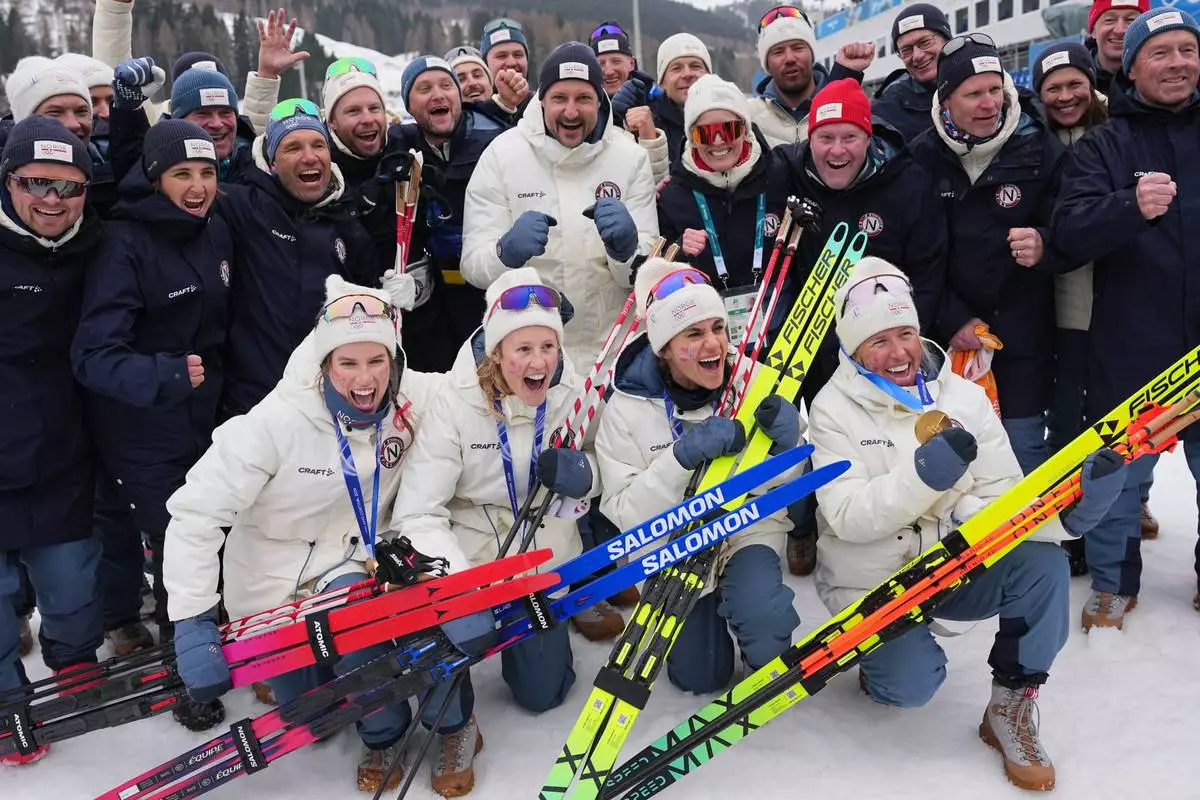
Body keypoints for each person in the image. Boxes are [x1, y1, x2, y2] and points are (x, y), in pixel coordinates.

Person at [807, 257, 1124, 792]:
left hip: (952, 567)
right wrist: (923, 477)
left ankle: (1010, 706)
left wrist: (1071, 519)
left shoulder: (965, 397)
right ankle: (883, 661)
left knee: (1043, 565)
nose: (898, 352)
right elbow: (847, 517)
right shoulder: (832, 409)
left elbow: (1000, 498)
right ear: (854, 349)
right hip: (875, 584)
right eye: (878, 341)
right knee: (910, 687)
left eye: (905, 333)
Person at [162, 274, 440, 793]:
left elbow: (478, 381)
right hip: (272, 583)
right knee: (310, 721)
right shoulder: (274, 424)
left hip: (352, 568)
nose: (365, 379)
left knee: (360, 626)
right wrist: (194, 618)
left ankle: (384, 734)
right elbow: (196, 514)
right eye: (348, 363)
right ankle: (298, 681)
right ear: (323, 364)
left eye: (377, 361)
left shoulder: (409, 398)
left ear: (394, 362)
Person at [391, 268, 594, 795]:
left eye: (548, 346)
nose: (538, 362)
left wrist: (586, 479)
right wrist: (457, 588)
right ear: (496, 350)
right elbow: (417, 512)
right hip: (470, 549)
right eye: (522, 347)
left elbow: (606, 460)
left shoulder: (576, 389)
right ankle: (454, 724)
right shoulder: (455, 401)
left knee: (543, 692)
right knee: (440, 633)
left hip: (540, 550)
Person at [72, 120, 233, 731]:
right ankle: (184, 668)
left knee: (214, 534)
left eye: (207, 173)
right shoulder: (125, 243)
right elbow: (92, 354)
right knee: (179, 544)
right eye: (182, 174)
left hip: (205, 416)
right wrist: (162, 376)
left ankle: (214, 640)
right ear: (155, 177)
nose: (197, 187)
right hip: (142, 426)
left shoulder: (215, 227)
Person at [596, 257, 805, 697]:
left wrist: (788, 448)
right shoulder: (627, 407)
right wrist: (680, 459)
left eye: (717, 328)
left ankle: (760, 662)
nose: (713, 344)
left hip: (744, 530)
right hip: (673, 545)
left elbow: (786, 486)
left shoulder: (751, 381)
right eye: (693, 333)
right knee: (699, 676)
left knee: (764, 615)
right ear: (664, 348)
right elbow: (624, 512)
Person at [1052, 7, 1200, 626]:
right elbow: (1066, 234)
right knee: (1117, 474)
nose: (1178, 64)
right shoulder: (1105, 144)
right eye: (1161, 53)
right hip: (1136, 341)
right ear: (1132, 66)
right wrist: (1127, 207)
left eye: (1188, 50)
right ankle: (1114, 581)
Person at [779, 77, 948, 575]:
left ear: (869, 137)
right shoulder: (789, 176)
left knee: (876, 439)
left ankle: (889, 531)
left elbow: (930, 268)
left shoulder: (907, 184)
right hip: (809, 341)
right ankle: (804, 525)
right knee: (806, 437)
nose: (836, 149)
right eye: (825, 138)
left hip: (881, 348)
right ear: (809, 138)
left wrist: (909, 342)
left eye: (849, 137)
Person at [908, 34, 1073, 477]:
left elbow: (1072, 224)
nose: (989, 103)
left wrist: (1045, 242)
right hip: (948, 337)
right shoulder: (922, 156)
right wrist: (951, 318)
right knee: (952, 450)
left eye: (995, 89)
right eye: (974, 93)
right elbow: (912, 254)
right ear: (946, 99)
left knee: (1022, 449)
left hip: (1021, 333)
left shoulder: (1037, 148)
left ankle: (1030, 540)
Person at [0, 117, 105, 767]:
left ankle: (72, 663)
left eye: (69, 187)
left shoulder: (97, 246)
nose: (52, 200)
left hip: (61, 455)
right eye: (36, 183)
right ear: (9, 181)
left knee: (71, 590)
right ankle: (6, 700)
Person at [462, 42, 658, 371]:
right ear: (541, 101)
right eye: (559, 98)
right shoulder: (502, 156)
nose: (571, 111)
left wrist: (627, 251)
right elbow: (473, 266)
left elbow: (645, 274)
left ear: (600, 100)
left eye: (583, 98)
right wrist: (503, 252)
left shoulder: (630, 158)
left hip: (611, 355)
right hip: (529, 358)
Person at [1032, 42, 1110, 577]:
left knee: (1110, 422)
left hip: (1117, 303)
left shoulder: (1115, 133)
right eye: (1052, 88)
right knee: (1063, 424)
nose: (1064, 96)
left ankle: (1111, 521)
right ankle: (1071, 526)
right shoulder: (1034, 143)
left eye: (1073, 84)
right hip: (1059, 308)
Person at [656, 75, 793, 346]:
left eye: (728, 130)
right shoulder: (673, 194)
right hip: (709, 342)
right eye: (704, 133)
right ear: (691, 137)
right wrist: (679, 250)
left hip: (779, 336)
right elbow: (658, 268)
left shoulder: (781, 173)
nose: (718, 142)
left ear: (745, 129)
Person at [396, 56, 508, 359]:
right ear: (408, 106)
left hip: (498, 287)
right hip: (442, 296)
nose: (438, 94)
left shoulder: (494, 139)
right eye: (424, 88)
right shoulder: (400, 145)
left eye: (446, 85)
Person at [747, 5, 875, 148]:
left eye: (798, 48)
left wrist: (847, 74)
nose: (789, 58)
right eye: (778, 52)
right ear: (767, 64)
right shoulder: (747, 116)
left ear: (812, 55)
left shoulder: (846, 105)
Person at [611, 32, 711, 171]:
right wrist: (620, 121)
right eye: (676, 68)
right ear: (662, 82)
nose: (687, 74)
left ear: (709, 76)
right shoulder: (650, 124)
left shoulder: (733, 118)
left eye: (695, 66)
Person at [872, 3, 952, 142]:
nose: (917, 55)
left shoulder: (984, 82)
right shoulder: (888, 109)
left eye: (925, 42)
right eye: (906, 50)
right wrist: (846, 72)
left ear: (947, 40)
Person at [477, 17, 533, 125]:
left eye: (518, 55)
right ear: (485, 64)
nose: (511, 62)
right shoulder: (474, 116)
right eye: (501, 56)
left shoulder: (542, 107)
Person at [1085, 0, 1149, 93]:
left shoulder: (1162, 78)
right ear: (1093, 31)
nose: (1120, 30)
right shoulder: (1078, 80)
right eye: (1109, 20)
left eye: (1131, 20)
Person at [589, 21, 639, 97]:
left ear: (632, 64)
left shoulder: (654, 102)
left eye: (616, 62)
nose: (609, 72)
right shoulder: (580, 106)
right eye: (600, 64)